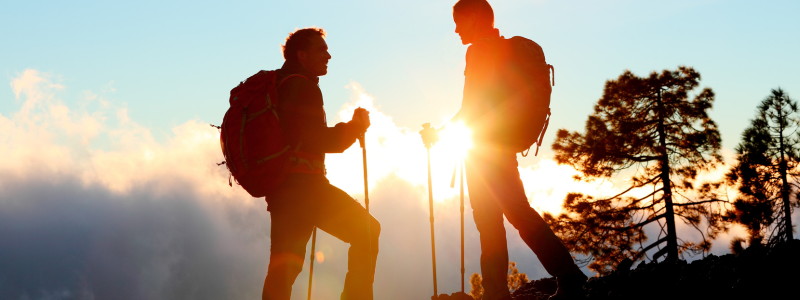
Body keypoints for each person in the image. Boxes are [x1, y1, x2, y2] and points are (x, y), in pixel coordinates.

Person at [419, 1, 587, 299]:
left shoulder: (479, 51)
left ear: (472, 18)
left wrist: (439, 134)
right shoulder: (502, 49)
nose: (456, 29)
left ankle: (559, 278)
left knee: (497, 219)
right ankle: (508, 288)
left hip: (485, 152)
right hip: (501, 145)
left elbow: (471, 107)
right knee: (510, 214)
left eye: (458, 21)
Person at [263, 27, 380, 300]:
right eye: (321, 49)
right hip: (306, 187)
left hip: (283, 191)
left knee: (284, 267)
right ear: (302, 55)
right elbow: (321, 140)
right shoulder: (302, 86)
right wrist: (354, 127)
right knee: (367, 231)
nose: (328, 55)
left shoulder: (282, 84)